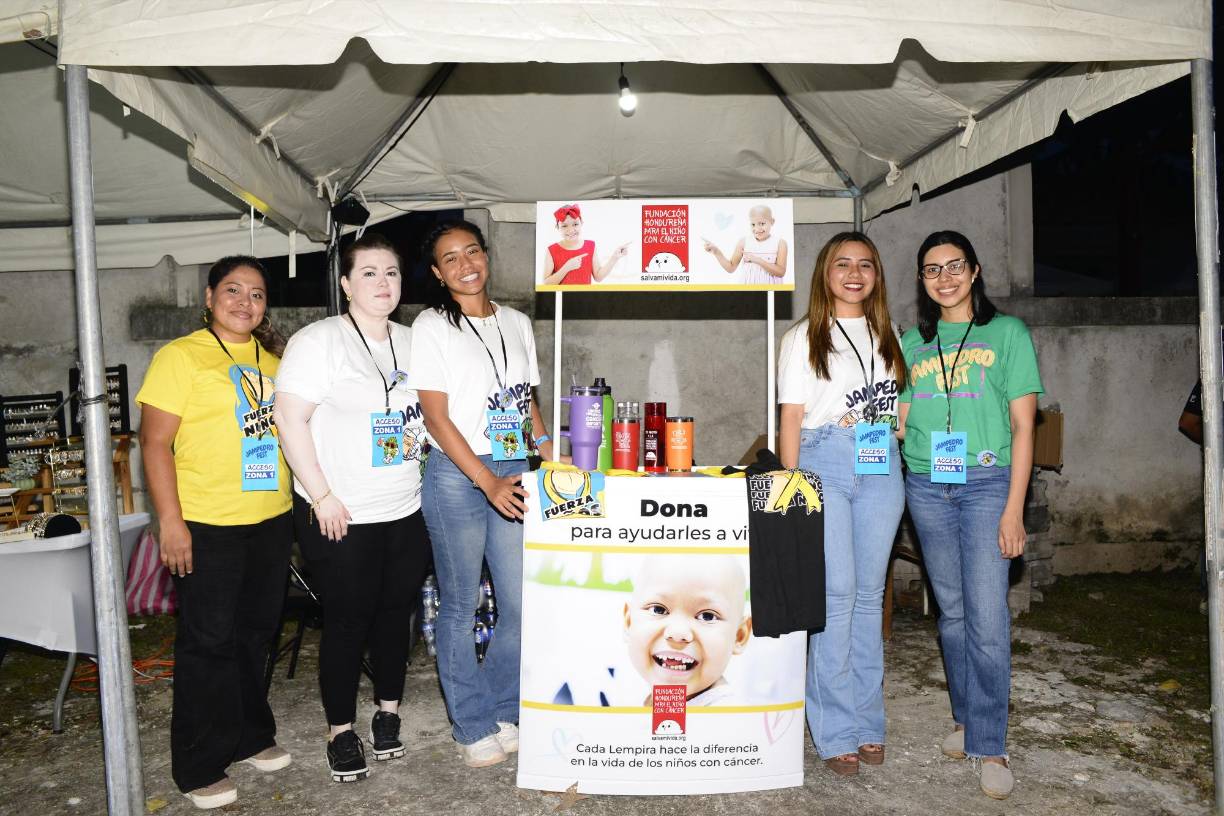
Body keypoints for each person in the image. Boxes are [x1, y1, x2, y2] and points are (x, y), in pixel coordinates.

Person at [273, 232, 431, 783]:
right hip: (339, 511)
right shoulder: (318, 342)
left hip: (404, 508)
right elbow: (288, 421)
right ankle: (340, 731)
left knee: (395, 617)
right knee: (346, 621)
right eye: (369, 273)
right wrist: (320, 495)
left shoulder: (414, 342)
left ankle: (388, 715)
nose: (382, 283)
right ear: (345, 284)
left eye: (391, 272)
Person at [137, 256, 293, 810]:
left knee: (256, 634)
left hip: (271, 519)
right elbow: (153, 444)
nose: (244, 302)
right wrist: (170, 522)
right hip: (206, 522)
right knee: (207, 643)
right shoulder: (180, 357)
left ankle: (250, 734)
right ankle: (199, 763)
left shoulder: (276, 362)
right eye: (232, 290)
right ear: (209, 297)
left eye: (255, 293)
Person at [898, 230, 1042, 800]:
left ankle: (991, 743)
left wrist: (1014, 509)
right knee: (953, 613)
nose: (945, 277)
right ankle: (967, 721)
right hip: (927, 486)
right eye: (932, 270)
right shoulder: (912, 342)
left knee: (986, 617)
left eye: (954, 266)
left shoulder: (1007, 334)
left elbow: (1026, 427)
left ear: (975, 271)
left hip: (986, 484)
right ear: (922, 280)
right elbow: (900, 418)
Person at [409, 219, 555, 767]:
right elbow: (435, 417)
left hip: (515, 466)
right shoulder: (431, 326)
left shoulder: (516, 322)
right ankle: (469, 724)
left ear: (485, 256)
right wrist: (485, 479)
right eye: (450, 258)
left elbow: (524, 401)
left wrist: (549, 451)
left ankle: (501, 706)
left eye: (472, 251)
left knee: (520, 602)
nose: (465, 263)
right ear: (437, 273)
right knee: (461, 603)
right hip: (458, 473)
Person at [776, 231, 906, 777]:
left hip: (881, 465)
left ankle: (867, 721)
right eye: (842, 264)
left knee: (870, 598)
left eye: (866, 265)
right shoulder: (803, 337)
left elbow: (899, 406)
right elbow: (789, 423)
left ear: (876, 275)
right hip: (823, 460)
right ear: (824, 273)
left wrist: (894, 435)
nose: (854, 273)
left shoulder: (888, 332)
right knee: (838, 596)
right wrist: (791, 489)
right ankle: (834, 731)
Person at [622, 554, 752, 706]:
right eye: (658, 609)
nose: (678, 634)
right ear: (629, 622)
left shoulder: (725, 717)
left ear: (739, 636)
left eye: (707, 616)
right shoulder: (631, 695)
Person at [540, 204, 630, 285]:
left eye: (575, 224)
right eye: (564, 226)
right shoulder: (552, 250)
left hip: (585, 300)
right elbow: (546, 284)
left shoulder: (590, 246)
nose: (571, 230)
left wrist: (614, 257)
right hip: (562, 301)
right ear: (557, 227)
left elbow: (598, 277)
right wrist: (567, 267)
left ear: (581, 223)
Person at [703, 204, 789, 285]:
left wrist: (758, 260)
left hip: (770, 293)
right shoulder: (744, 242)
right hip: (747, 292)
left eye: (762, 224)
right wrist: (716, 252)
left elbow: (781, 272)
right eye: (753, 224)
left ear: (772, 221)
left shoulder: (780, 243)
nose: (757, 229)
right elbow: (731, 267)